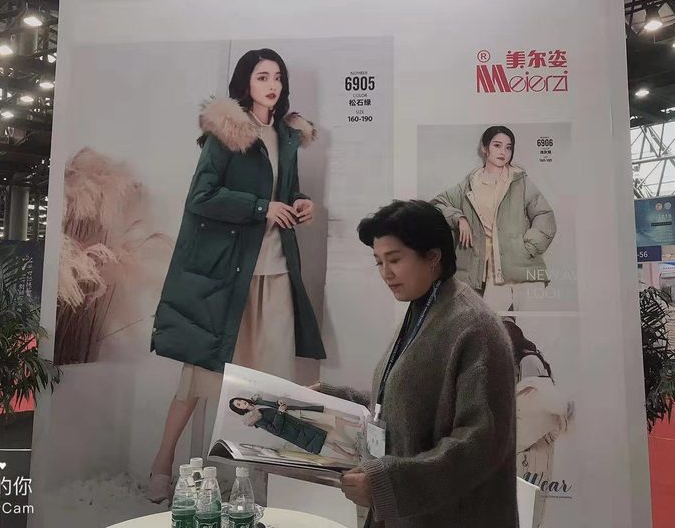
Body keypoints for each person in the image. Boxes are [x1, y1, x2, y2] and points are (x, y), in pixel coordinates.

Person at [147, 48, 327, 502]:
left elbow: (285, 189)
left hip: (277, 270)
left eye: (278, 77)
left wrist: (300, 202)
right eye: (263, 76)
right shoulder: (227, 132)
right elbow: (201, 196)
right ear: (245, 82)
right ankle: (162, 463)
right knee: (200, 376)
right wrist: (262, 208)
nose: (272, 85)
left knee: (273, 385)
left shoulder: (287, 135)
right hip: (229, 274)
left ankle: (259, 482)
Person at [315, 200, 517, 527]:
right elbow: (407, 405)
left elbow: (481, 443)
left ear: (433, 256)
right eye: (379, 262)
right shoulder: (423, 309)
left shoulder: (476, 328)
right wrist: (333, 399)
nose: (386, 273)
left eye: (395, 259)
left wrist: (389, 484)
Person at [431, 126, 556, 311]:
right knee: (493, 326)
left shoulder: (520, 181)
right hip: (492, 276)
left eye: (508, 147)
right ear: (485, 148)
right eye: (497, 145)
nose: (503, 152)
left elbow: (544, 215)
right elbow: (436, 205)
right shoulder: (469, 185)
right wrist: (460, 218)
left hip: (525, 271)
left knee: (533, 325)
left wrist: (527, 248)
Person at [504, 320, 572, 528]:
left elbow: (532, 406)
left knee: (526, 510)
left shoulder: (528, 361)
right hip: (532, 444)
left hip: (532, 446)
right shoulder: (525, 360)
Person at [229, 397, 359, 460]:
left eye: (239, 401)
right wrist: (280, 413)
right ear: (239, 410)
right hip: (294, 426)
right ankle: (349, 455)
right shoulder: (255, 418)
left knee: (327, 419)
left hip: (295, 415)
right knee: (325, 440)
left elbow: (274, 405)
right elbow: (275, 430)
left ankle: (356, 426)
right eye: (238, 405)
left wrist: (279, 403)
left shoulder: (258, 402)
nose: (242, 403)